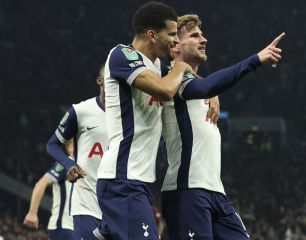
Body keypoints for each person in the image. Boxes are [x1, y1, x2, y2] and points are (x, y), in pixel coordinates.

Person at [160, 14, 285, 239]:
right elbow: (204, 87)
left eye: (203, 34)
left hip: (215, 192)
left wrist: (210, 89)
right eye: (195, 35)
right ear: (176, 45)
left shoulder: (202, 87)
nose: (204, 39)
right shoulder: (170, 80)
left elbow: (206, 86)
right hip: (187, 191)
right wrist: (255, 60)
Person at [93, 2, 194, 239]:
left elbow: (187, 83)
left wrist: (213, 94)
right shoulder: (122, 55)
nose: (176, 41)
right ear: (151, 34)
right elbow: (165, 90)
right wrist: (180, 67)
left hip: (138, 180)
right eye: (171, 34)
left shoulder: (157, 66)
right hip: (122, 178)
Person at [46, 65, 108, 239]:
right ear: (99, 80)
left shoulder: (129, 115)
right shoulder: (81, 111)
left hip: (117, 204)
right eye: (108, 77)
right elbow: (52, 144)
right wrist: (69, 164)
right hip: (86, 203)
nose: (113, 81)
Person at [23, 140, 74, 240]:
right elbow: (41, 184)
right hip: (63, 226)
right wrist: (32, 212)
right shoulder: (66, 163)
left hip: (78, 228)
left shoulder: (89, 167)